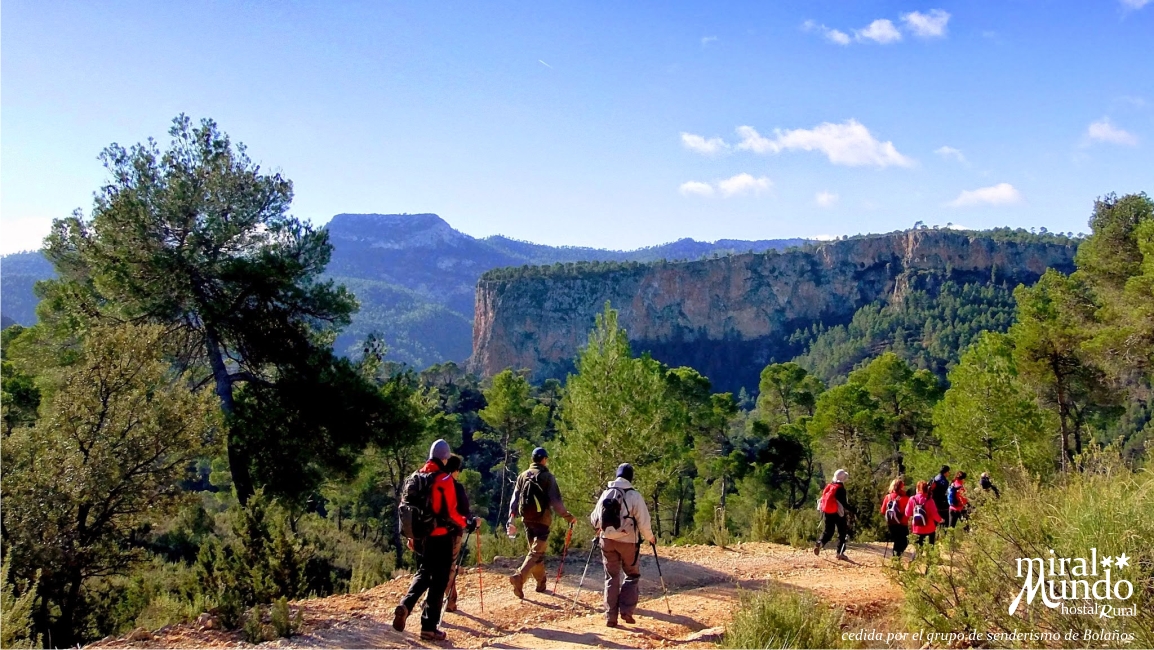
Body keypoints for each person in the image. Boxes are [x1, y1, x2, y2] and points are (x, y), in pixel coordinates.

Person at [393, 439, 467, 641]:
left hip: (420, 537)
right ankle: (428, 627)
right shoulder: (443, 480)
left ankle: (406, 606)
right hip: (440, 536)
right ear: (445, 458)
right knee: (439, 580)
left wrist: (411, 536)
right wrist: (467, 523)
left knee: (424, 573)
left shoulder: (415, 477)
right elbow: (452, 513)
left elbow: (406, 508)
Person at [506, 447, 577, 599]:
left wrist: (511, 518)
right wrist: (568, 517)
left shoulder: (522, 475)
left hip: (526, 519)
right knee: (536, 552)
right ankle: (519, 577)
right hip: (542, 521)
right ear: (544, 459)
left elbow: (515, 499)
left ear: (532, 459)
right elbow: (556, 502)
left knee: (536, 553)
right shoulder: (547, 477)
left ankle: (541, 583)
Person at [590, 463, 655, 628]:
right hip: (628, 542)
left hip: (607, 540)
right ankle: (626, 611)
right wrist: (650, 538)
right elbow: (644, 522)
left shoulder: (606, 493)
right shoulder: (634, 496)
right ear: (630, 477)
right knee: (632, 575)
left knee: (611, 577)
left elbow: (595, 520)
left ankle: (610, 617)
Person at [443, 455, 478, 613]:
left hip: (433, 532)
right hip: (453, 532)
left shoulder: (436, 483)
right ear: (456, 470)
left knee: (438, 567)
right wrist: (473, 522)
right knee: (449, 567)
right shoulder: (456, 487)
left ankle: (451, 601)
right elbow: (464, 511)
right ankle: (442, 602)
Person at [814, 469, 852, 561]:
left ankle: (820, 542)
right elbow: (844, 503)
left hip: (827, 511)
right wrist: (853, 510)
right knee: (842, 532)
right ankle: (840, 553)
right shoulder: (840, 488)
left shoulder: (830, 486)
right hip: (838, 513)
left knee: (828, 531)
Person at [905, 480, 943, 547]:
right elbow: (934, 514)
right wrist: (941, 520)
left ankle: (917, 557)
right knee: (931, 548)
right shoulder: (930, 500)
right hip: (930, 528)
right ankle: (929, 557)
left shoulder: (912, 499)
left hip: (917, 528)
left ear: (917, 489)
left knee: (918, 549)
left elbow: (907, 513)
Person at [879, 478, 910, 560]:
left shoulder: (887, 497)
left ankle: (896, 558)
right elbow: (908, 512)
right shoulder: (905, 498)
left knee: (897, 540)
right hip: (902, 523)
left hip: (891, 523)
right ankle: (896, 558)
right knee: (904, 541)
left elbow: (882, 511)